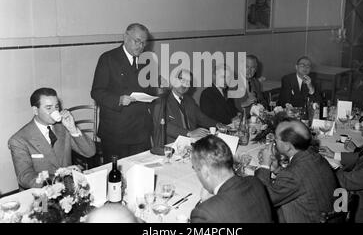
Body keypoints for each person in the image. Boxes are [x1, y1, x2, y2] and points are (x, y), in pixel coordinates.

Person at [91, 23, 155, 163]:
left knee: (140, 172)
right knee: (118, 177)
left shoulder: (146, 61)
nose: (140, 46)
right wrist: (118, 100)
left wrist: (158, 87)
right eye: (137, 41)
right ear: (125, 37)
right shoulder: (108, 59)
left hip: (140, 131)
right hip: (116, 132)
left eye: (144, 43)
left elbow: (149, 91)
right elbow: (96, 92)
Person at [8, 88, 96, 189]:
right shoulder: (19, 140)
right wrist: (59, 178)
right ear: (35, 110)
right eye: (49, 108)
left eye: (56, 107)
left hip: (68, 192)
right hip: (40, 195)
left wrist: (73, 129)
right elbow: (25, 177)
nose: (55, 111)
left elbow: (90, 152)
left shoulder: (63, 128)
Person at [255, 119, 338, 222]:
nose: (274, 142)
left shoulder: (292, 175)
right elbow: (302, 179)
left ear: (287, 146)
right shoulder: (316, 157)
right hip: (323, 213)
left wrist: (264, 166)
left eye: (276, 139)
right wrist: (278, 170)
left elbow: (262, 198)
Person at [320, 105, 363, 223]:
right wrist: (334, 155)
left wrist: (322, 166)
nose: (361, 124)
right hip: (350, 196)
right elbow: (360, 158)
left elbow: (347, 181)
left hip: (360, 211)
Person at [190, 135, 273, 223]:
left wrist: (204, 203)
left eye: (196, 169)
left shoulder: (204, 213)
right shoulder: (255, 182)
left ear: (205, 172)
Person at [152, 69, 220, 143]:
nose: (185, 84)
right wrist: (188, 133)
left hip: (191, 143)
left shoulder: (190, 101)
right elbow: (165, 126)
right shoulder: (161, 101)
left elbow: (202, 118)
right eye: (182, 80)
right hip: (170, 146)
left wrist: (218, 124)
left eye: (188, 82)